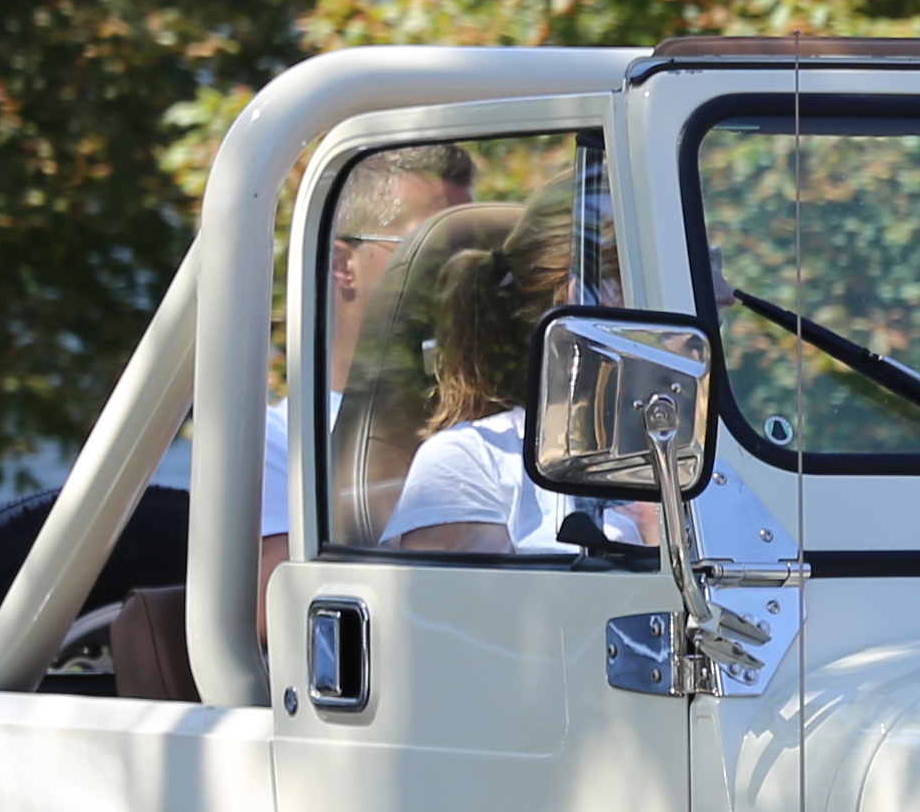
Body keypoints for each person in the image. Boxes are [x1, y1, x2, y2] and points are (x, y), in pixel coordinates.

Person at [381, 175, 754, 557]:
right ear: (590, 296)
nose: (725, 294)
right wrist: (655, 528)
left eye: (714, 261)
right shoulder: (469, 462)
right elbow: (463, 615)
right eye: (691, 268)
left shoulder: (730, 458)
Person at [257, 143, 475, 603]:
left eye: (475, 251)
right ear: (342, 265)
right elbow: (271, 608)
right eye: (433, 246)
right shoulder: (277, 445)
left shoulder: (497, 418)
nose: (464, 272)